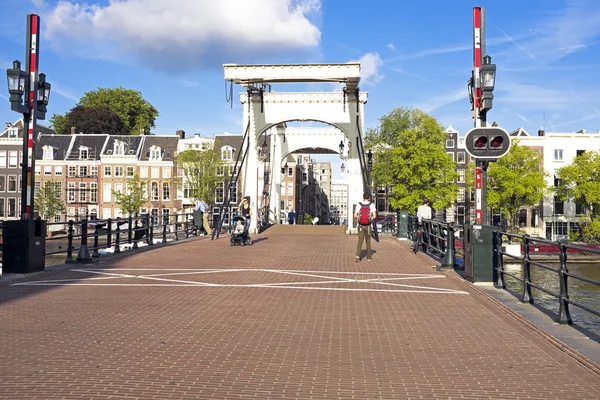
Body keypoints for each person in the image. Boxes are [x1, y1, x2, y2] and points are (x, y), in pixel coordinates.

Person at [354, 191, 376, 262]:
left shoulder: (359, 205)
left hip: (360, 225)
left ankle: (357, 256)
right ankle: (369, 257)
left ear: (363, 197)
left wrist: (359, 218)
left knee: (360, 241)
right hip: (368, 225)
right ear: (369, 197)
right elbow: (374, 216)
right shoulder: (371, 205)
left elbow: (355, 215)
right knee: (368, 241)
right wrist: (370, 219)